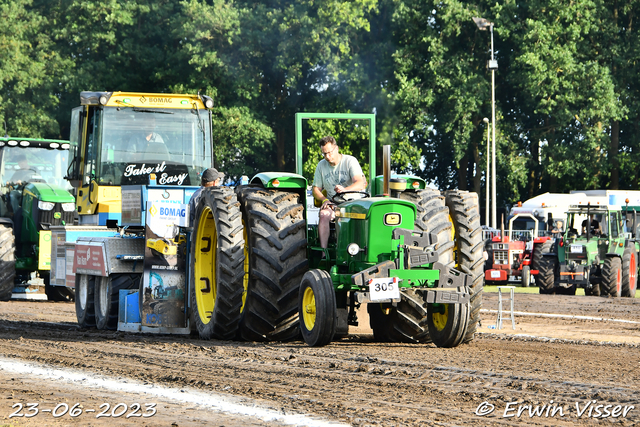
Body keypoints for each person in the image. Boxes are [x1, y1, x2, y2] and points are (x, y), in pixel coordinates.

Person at [312, 136, 366, 250]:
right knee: (323, 214)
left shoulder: (350, 161)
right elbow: (316, 189)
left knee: (342, 216)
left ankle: (347, 250)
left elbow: (360, 183)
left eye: (329, 152)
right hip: (334, 203)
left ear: (336, 148)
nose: (327, 156)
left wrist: (345, 190)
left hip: (354, 203)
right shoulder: (321, 165)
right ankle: (324, 254)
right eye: (324, 154)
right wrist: (325, 200)